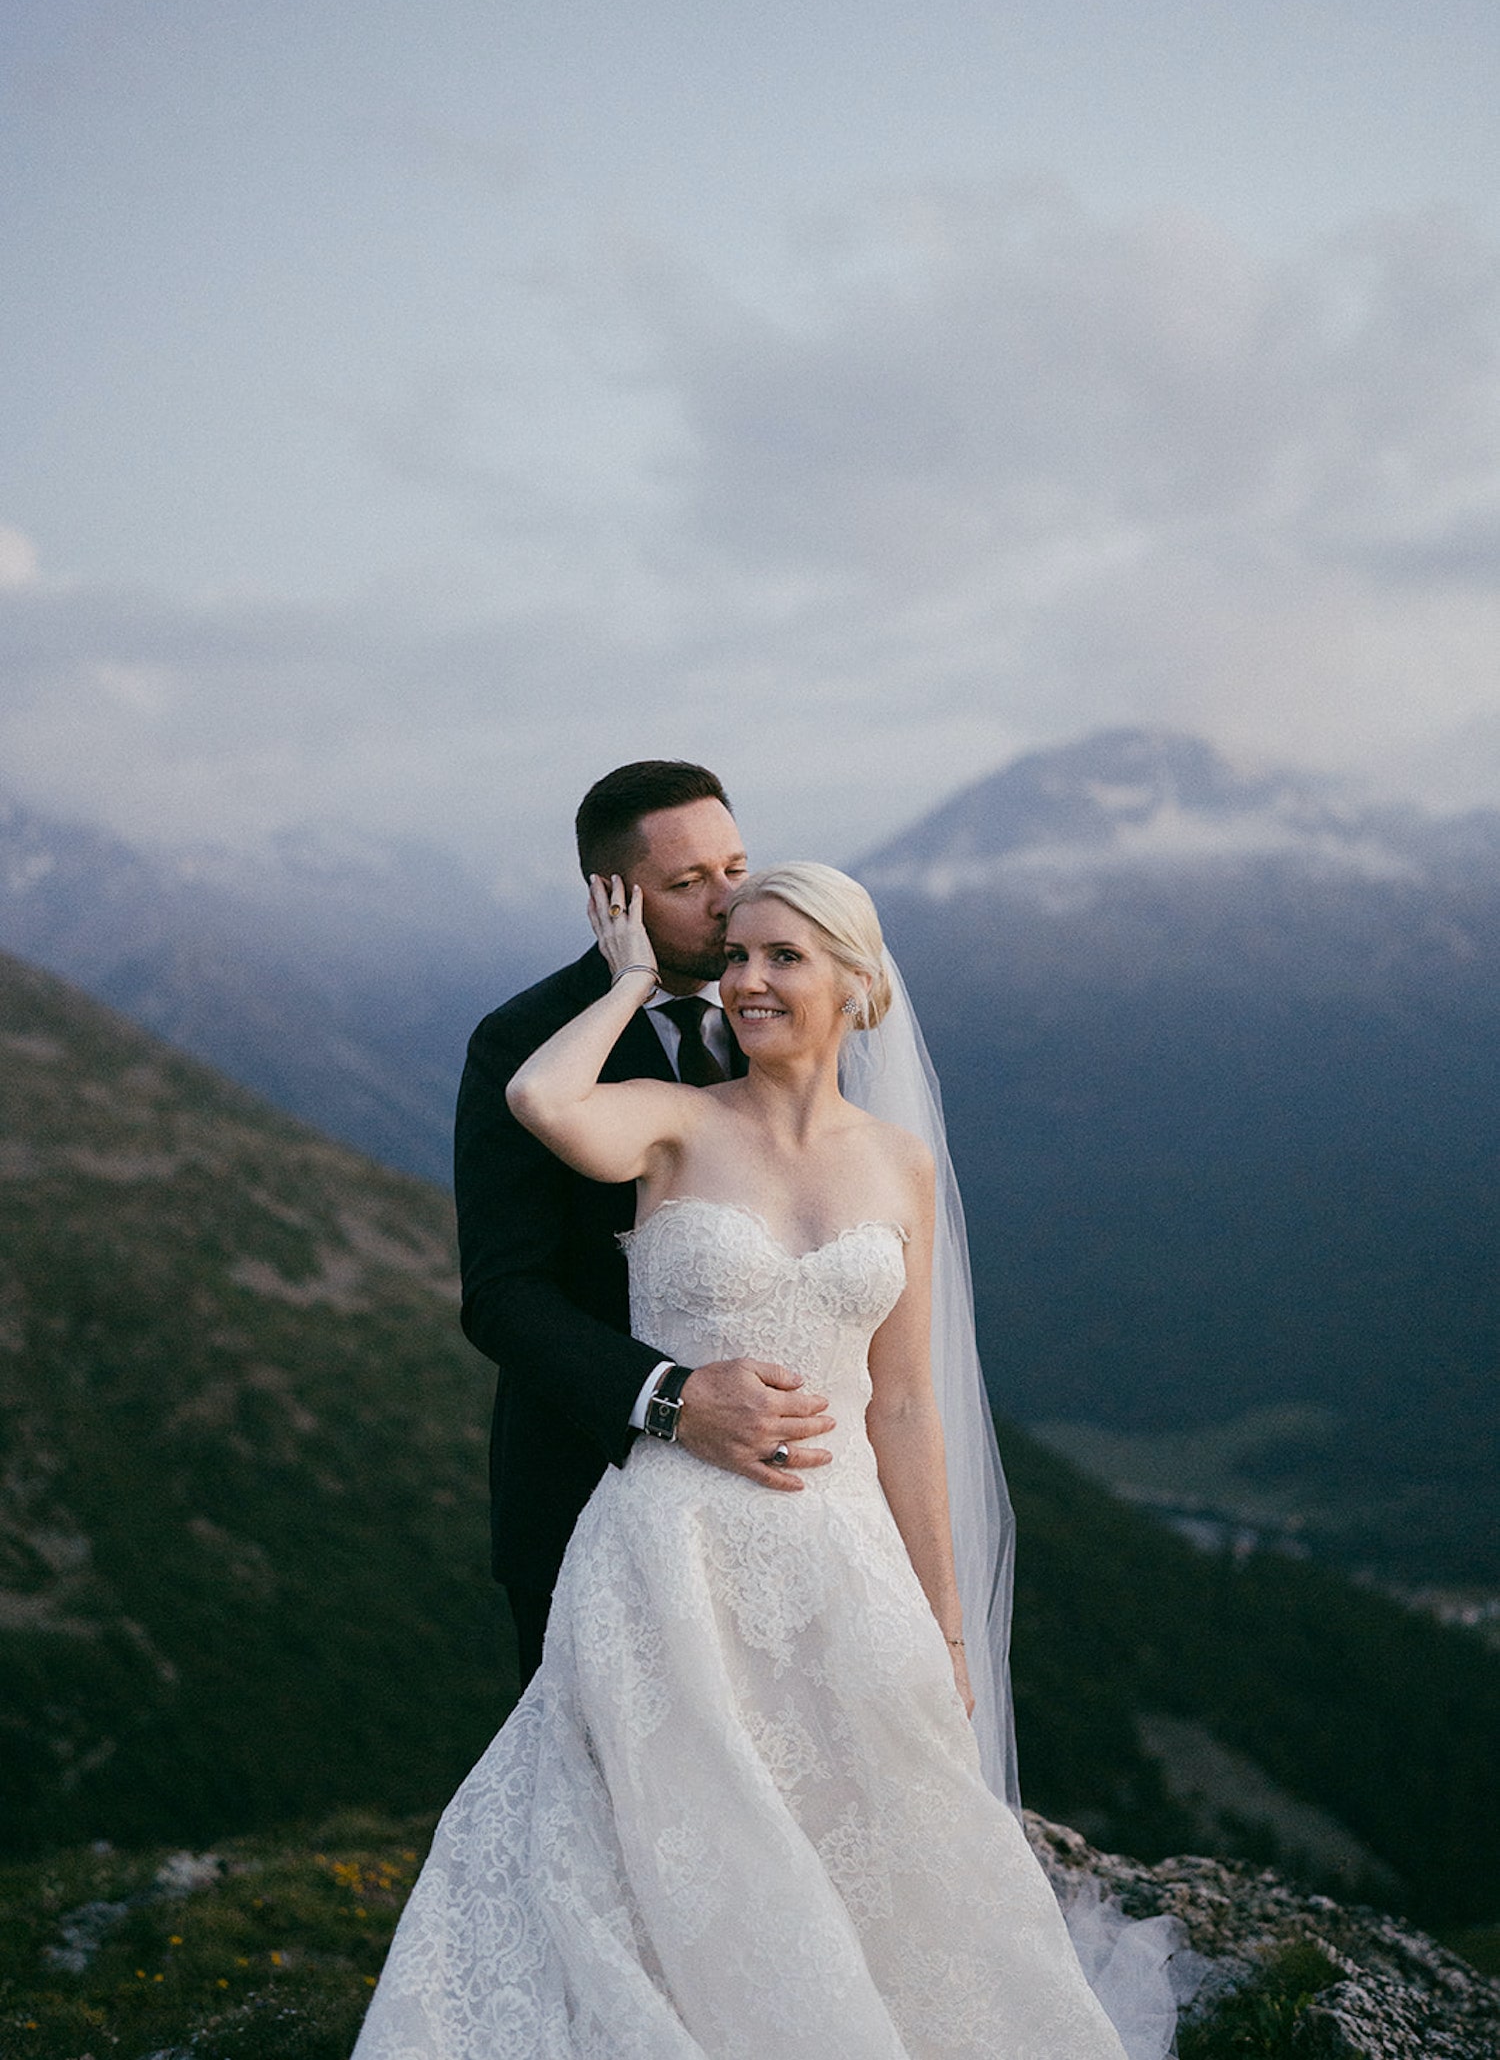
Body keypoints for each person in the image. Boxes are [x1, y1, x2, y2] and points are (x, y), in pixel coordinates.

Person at [356, 862, 1185, 2058]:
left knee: (867, 1843)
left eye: (781, 957)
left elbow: (903, 1406)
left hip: (840, 1552)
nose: (744, 979)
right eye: (735, 953)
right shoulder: (674, 1120)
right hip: (670, 1554)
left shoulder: (901, 1162)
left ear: (858, 983)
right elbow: (542, 1096)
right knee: (675, 1843)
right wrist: (631, 973)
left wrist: (945, 1626)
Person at [455, 762, 839, 1687]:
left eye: (736, 866)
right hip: (593, 1484)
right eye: (687, 882)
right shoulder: (523, 1040)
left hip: (788, 1487)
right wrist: (672, 1400)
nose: (729, 901)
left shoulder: (789, 1011)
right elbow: (502, 1295)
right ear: (612, 898)